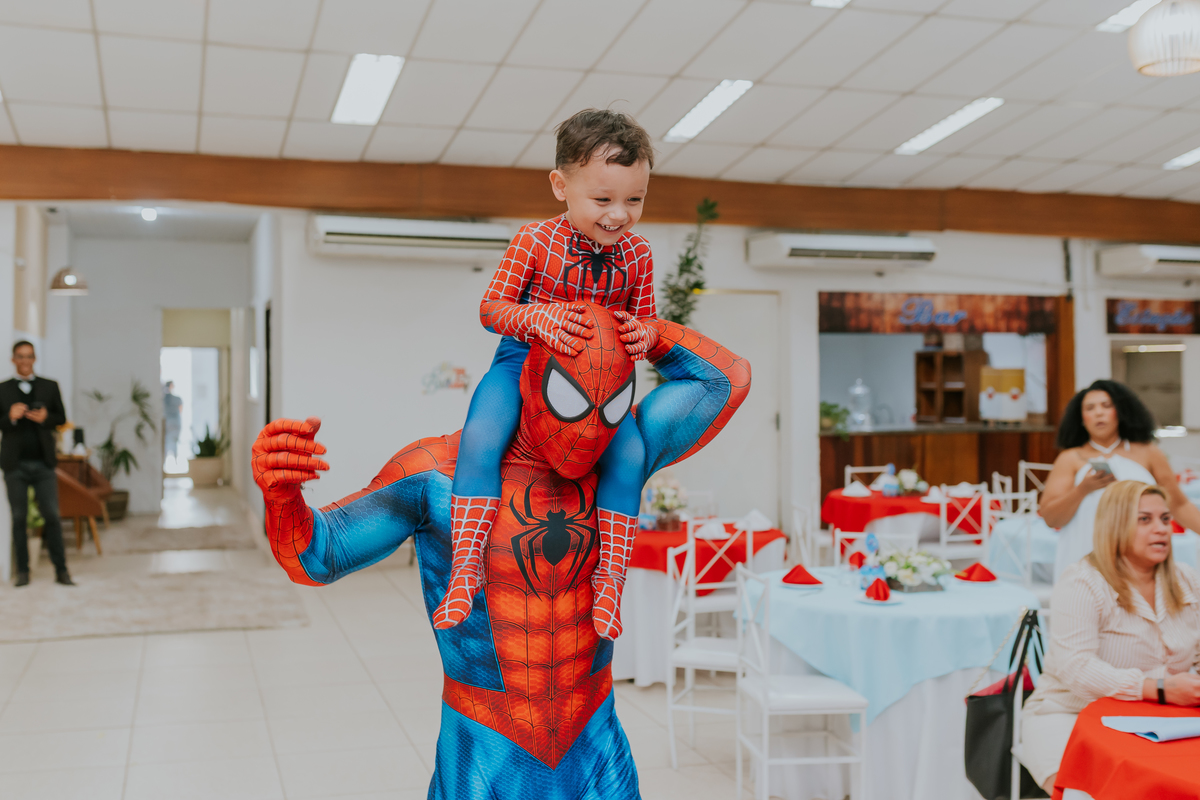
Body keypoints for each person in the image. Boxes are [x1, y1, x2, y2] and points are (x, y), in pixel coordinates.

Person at [251, 305, 750, 798]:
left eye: (611, 405)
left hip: (596, 749)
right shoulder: (437, 475)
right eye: (570, 399)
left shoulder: (618, 459)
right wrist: (282, 496)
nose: (589, 432)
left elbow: (727, 380)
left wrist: (641, 331)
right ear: (528, 380)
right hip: (482, 754)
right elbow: (318, 556)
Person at [438, 108, 659, 640]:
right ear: (561, 186)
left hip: (603, 384)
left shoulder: (640, 255)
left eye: (634, 200)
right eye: (603, 199)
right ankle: (466, 568)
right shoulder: (534, 239)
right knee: (481, 437)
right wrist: (537, 317)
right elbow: (492, 309)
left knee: (631, 455)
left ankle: (610, 580)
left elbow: (650, 323)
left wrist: (645, 335)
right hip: (521, 362)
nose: (619, 214)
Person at [1021, 481, 1200, 794]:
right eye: (1144, 519)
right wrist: (1157, 688)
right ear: (1115, 524)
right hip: (1070, 712)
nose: (1161, 529)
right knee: (1087, 793)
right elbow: (1077, 669)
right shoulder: (1083, 582)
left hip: (1168, 716)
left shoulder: (1185, 578)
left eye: (1165, 519)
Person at [1040, 379, 1200, 580]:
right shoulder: (1070, 458)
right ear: (1081, 418)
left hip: (1140, 558)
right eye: (1090, 408)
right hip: (1084, 553)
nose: (1098, 413)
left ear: (1121, 411)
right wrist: (1082, 490)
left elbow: (1178, 504)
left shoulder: (1148, 453)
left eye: (1106, 406)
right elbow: (1051, 518)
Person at [0, 341, 73, 586]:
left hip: (44, 464)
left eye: (29, 356)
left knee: (52, 515)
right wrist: (9, 417)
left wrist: (45, 418)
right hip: (14, 465)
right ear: (13, 359)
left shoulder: (49, 386)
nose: (25, 361)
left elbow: (61, 418)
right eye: (20, 356)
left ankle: (61, 570)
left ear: (35, 358)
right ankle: (23, 572)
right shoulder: (2, 389)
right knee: (19, 518)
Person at [163, 381, 182, 464]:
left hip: (168, 423)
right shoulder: (177, 399)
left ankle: (166, 462)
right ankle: (175, 461)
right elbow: (180, 410)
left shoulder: (163, 399)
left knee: (167, 442)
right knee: (174, 442)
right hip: (175, 423)